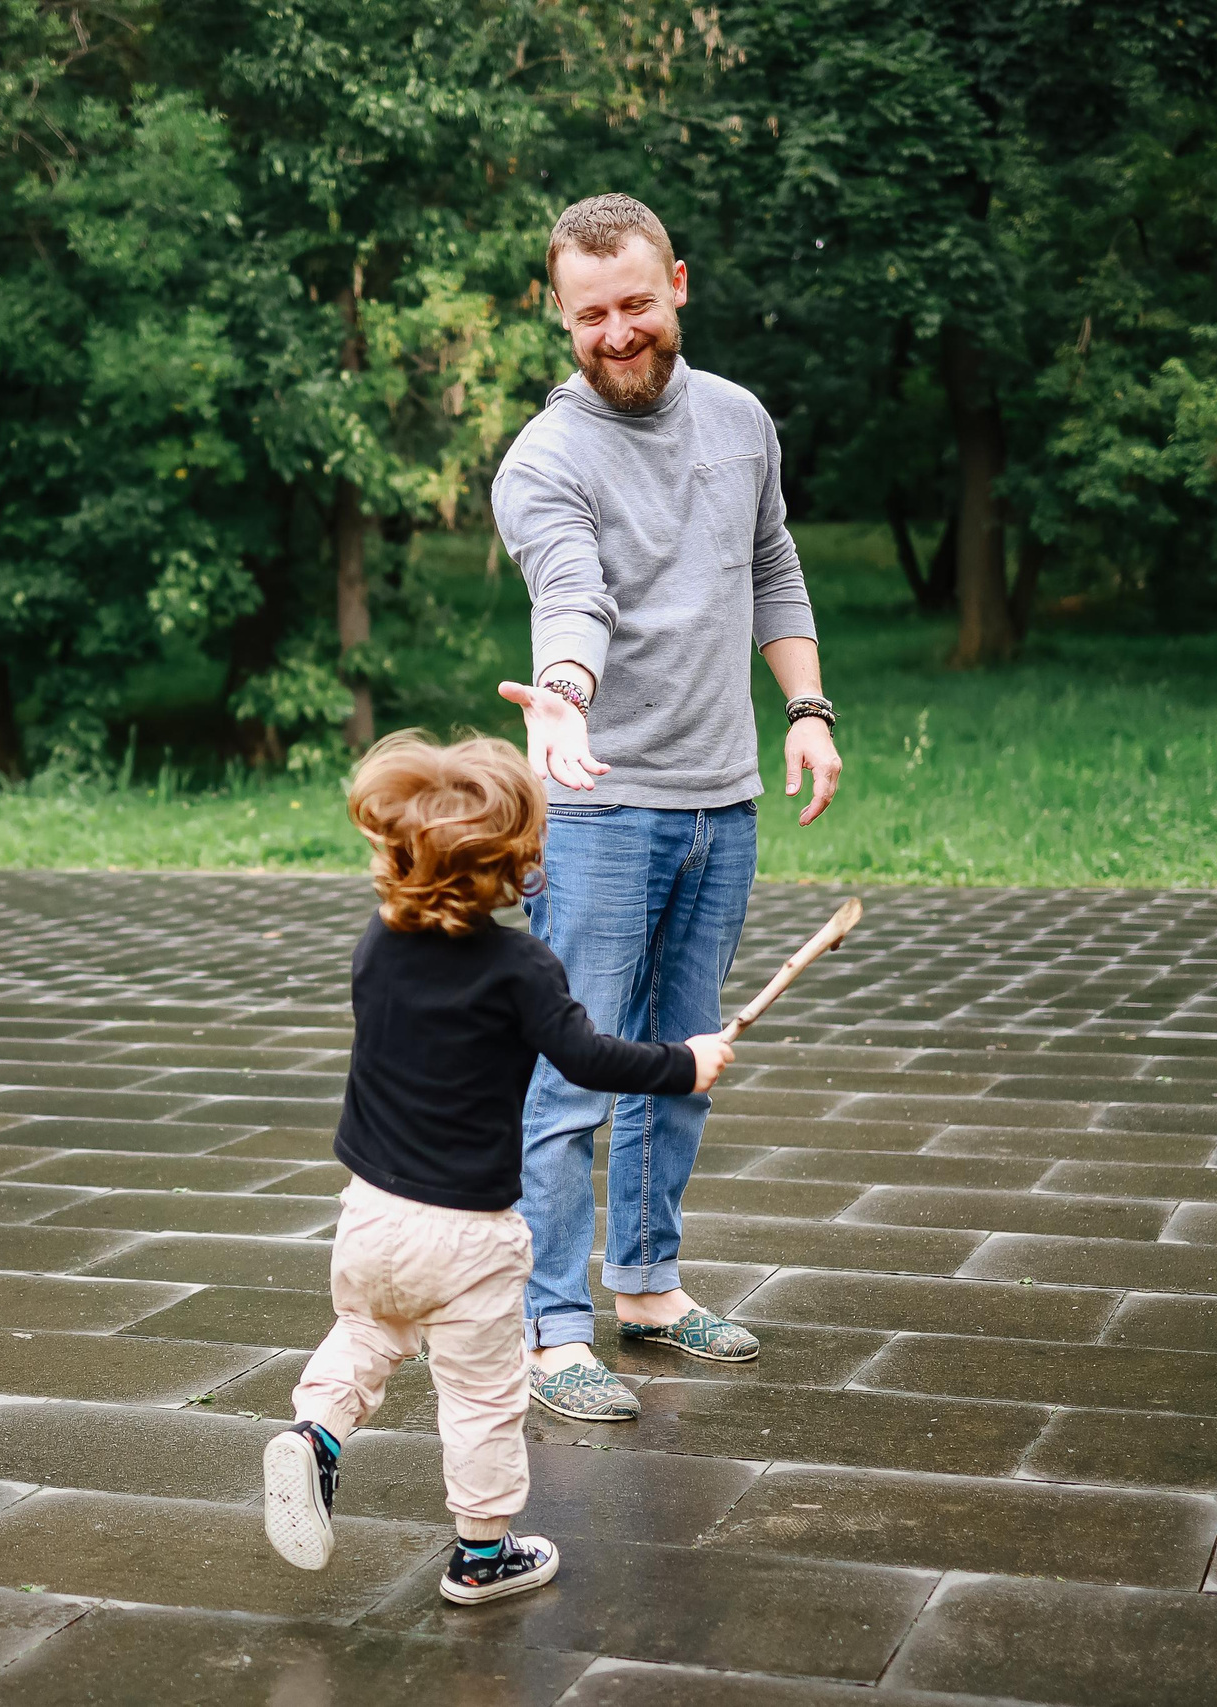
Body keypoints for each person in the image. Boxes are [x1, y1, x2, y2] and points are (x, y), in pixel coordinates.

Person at [491, 192, 844, 1423]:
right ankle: (546, 1331)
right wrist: (565, 696)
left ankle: (644, 1288)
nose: (616, 332)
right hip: (594, 808)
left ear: (677, 285)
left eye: (635, 303)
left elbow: (771, 563)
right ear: (560, 315)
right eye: (589, 315)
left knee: (683, 1061)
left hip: (719, 801)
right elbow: (571, 592)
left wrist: (807, 710)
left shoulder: (741, 422)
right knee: (574, 1075)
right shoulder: (544, 461)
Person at [262, 732, 735, 1605]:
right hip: (467, 1235)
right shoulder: (521, 967)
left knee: (366, 1334)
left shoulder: (378, 945)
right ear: (519, 863)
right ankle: (482, 1555)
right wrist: (684, 1062)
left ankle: (317, 1433)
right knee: (482, 1396)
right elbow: (588, 1057)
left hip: (368, 1213)